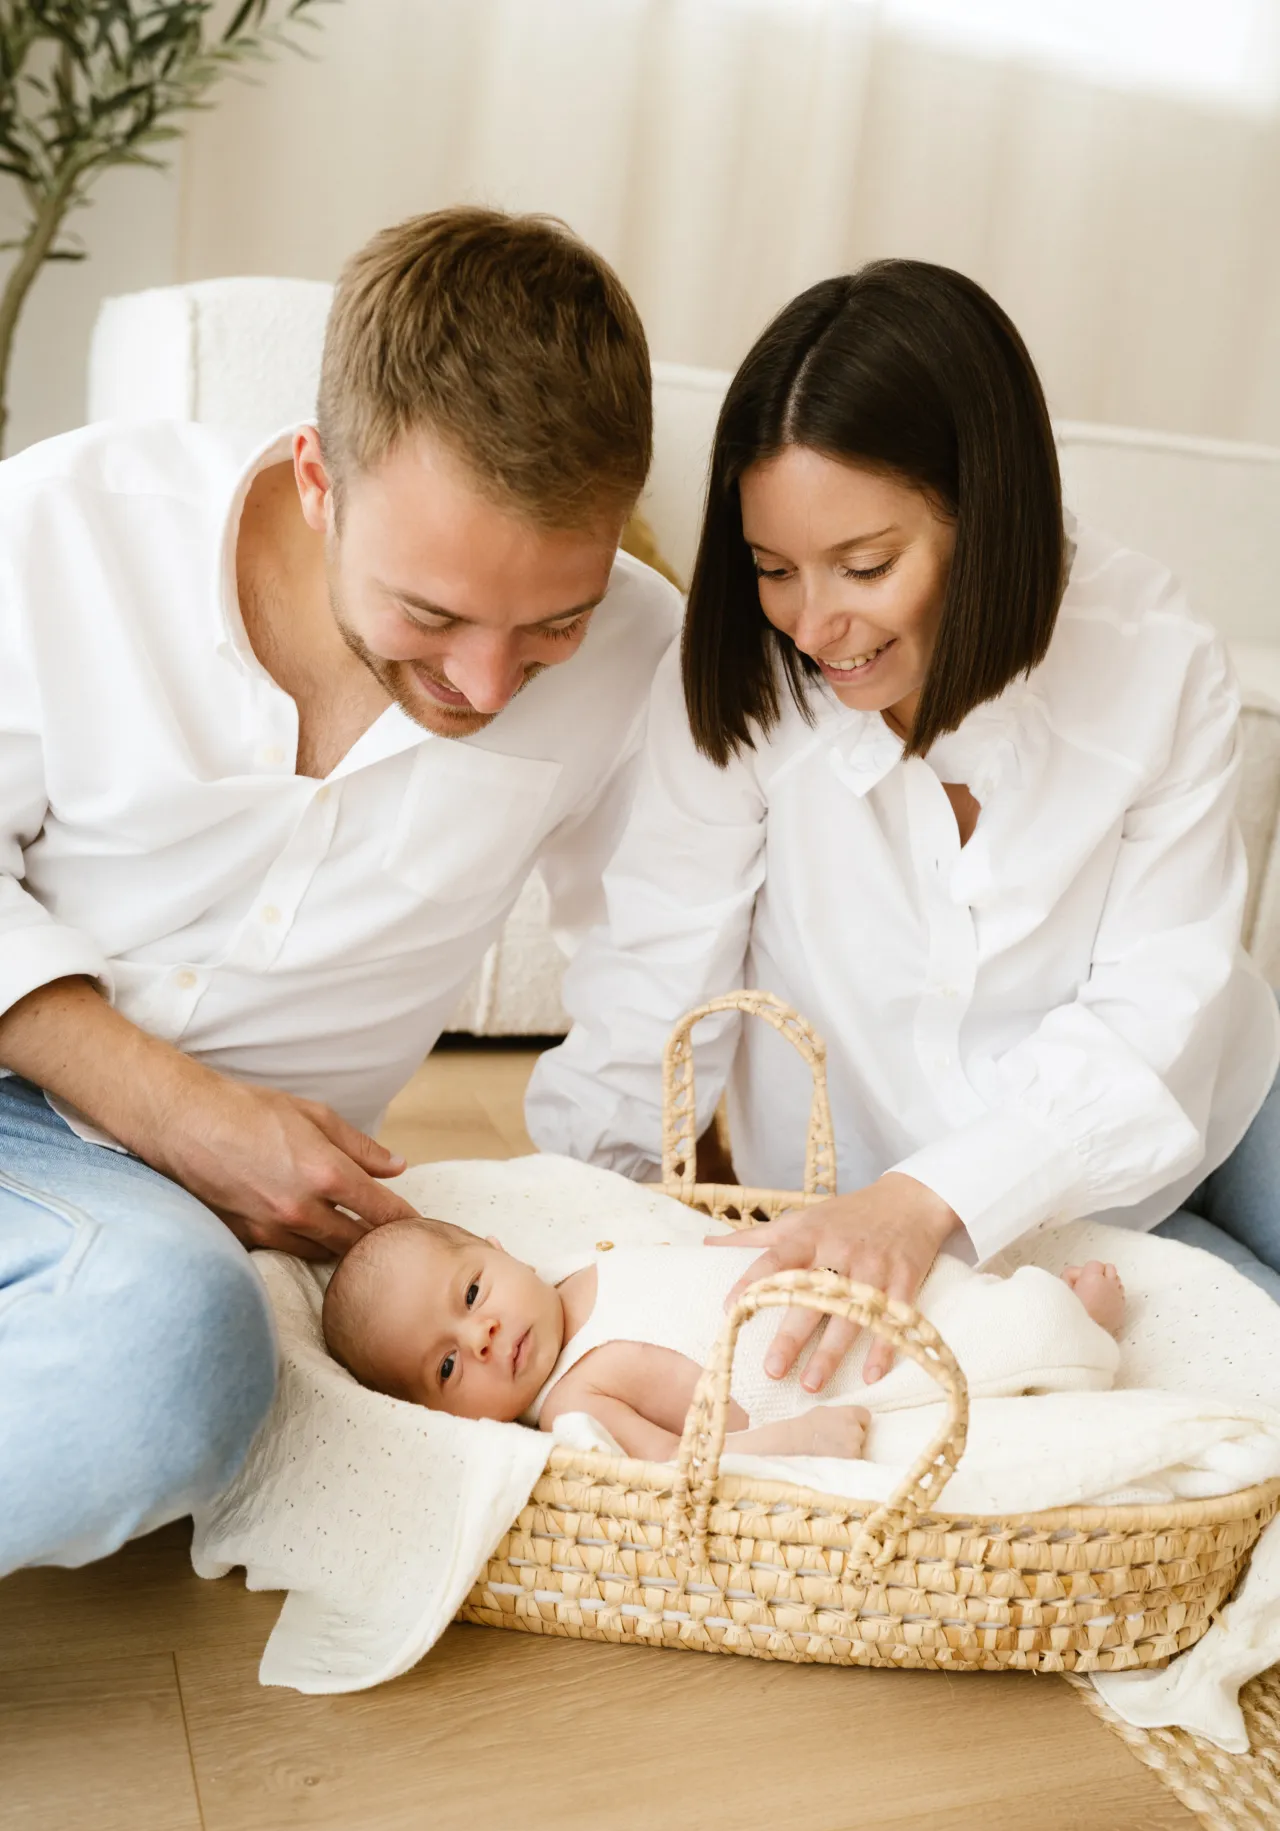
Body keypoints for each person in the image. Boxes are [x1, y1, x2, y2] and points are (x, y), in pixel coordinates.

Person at [0, 207, 681, 1579]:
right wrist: (187, 1114)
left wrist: (609, 1242)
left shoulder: (640, 653)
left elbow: (653, 971)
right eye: (430, 616)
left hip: (148, 1242)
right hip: (52, 1100)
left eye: (550, 624)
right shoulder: (62, 532)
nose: (486, 690)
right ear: (320, 480)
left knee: (174, 1351)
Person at [525, 259, 1280, 1394]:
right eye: (773, 568)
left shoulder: (1151, 662)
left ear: (985, 517)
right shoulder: (740, 693)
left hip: (1196, 1093)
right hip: (955, 1208)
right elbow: (652, 985)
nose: (815, 625)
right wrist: (573, 1229)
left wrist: (927, 1197)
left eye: (864, 566)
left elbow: (1159, 1014)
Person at [320, 1214, 1125, 1462]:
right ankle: (1071, 1328)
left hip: (821, 1292)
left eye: (470, 1294)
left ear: (496, 1248)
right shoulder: (574, 1404)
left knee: (942, 1288)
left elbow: (691, 1258)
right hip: (824, 1376)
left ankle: (1039, 1306)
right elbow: (686, 1466)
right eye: (450, 1365)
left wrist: (772, 1239)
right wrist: (796, 1440)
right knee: (977, 1353)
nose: (486, 1335)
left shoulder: (577, 1267)